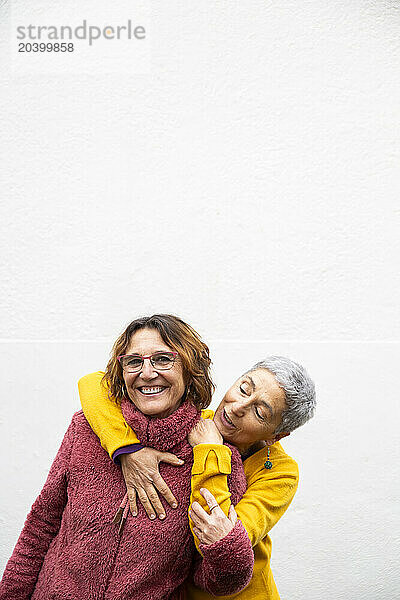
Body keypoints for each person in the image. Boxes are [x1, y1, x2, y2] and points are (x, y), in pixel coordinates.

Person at [0, 315, 254, 600]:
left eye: (162, 359)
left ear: (190, 369)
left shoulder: (217, 457)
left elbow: (215, 582)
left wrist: (226, 546)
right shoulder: (86, 429)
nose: (146, 373)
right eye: (134, 361)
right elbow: (41, 526)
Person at [79, 354, 316, 600]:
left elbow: (217, 534)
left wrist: (210, 451)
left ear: (277, 435)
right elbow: (93, 384)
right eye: (244, 388)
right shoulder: (197, 421)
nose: (236, 407)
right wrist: (128, 450)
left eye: (259, 412)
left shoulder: (281, 473)